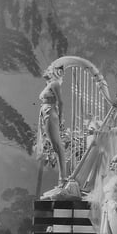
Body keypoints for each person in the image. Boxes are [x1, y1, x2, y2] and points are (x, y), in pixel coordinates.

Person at [35, 65, 70, 195]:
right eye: (58, 70)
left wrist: (60, 119)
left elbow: (61, 102)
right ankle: (62, 179)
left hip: (51, 113)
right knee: (55, 146)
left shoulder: (55, 84)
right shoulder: (50, 84)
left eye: (61, 72)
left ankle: (63, 179)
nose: (60, 73)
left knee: (58, 146)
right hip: (46, 112)